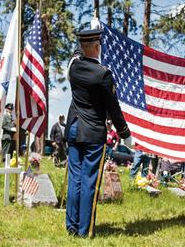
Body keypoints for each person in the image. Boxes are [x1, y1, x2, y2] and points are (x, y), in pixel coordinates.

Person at [64, 28, 131, 238]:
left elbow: (77, 53)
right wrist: (124, 132)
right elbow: (114, 108)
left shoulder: (73, 67)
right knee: (89, 181)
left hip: (74, 128)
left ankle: (72, 227)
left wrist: (85, 39)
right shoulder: (103, 74)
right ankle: (85, 231)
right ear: (96, 47)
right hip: (93, 132)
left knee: (75, 179)